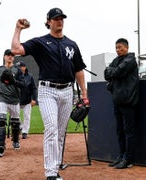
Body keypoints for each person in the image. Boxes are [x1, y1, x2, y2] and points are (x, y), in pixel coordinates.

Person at [11, 8, 89, 180]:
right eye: (56, 18)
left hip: (67, 91)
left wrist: (84, 93)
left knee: (60, 132)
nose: (59, 21)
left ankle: (55, 166)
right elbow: (16, 49)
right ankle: (51, 173)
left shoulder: (72, 44)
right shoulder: (41, 42)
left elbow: (79, 70)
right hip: (47, 91)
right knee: (52, 129)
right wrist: (18, 29)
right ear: (48, 22)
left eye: (61, 18)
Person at [104, 38, 139, 169]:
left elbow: (117, 72)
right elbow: (106, 74)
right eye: (116, 48)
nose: (118, 50)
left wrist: (112, 71)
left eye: (120, 47)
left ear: (127, 47)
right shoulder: (116, 60)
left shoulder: (130, 59)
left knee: (128, 131)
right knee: (120, 130)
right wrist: (112, 71)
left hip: (128, 101)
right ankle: (121, 155)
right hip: (117, 100)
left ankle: (128, 159)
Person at [0, 49, 25, 158]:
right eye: (8, 55)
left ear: (14, 58)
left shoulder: (18, 70)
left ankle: (15, 140)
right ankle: (0, 146)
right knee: (0, 121)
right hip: (2, 98)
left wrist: (14, 81)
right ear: (4, 57)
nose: (10, 57)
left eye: (12, 55)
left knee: (15, 122)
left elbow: (23, 85)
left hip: (14, 99)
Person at [16, 61, 37, 139]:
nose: (19, 68)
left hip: (27, 100)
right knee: (15, 115)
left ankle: (25, 132)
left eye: (20, 66)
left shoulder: (30, 76)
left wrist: (34, 99)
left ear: (24, 67)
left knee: (27, 116)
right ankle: (21, 126)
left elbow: (34, 89)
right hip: (17, 100)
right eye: (18, 66)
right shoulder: (15, 76)